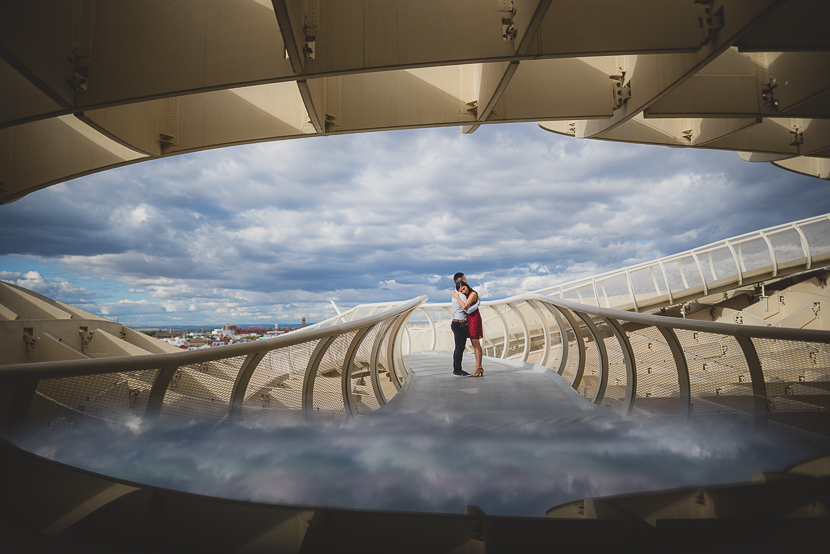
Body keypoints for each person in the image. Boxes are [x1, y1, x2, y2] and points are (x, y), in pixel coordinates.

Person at [453, 280, 484, 377]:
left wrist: (457, 296)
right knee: (474, 344)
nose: (463, 291)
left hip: (474, 320)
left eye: (464, 288)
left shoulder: (473, 294)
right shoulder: (467, 294)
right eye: (461, 291)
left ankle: (478, 367)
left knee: (476, 343)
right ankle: (479, 367)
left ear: (467, 285)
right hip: (469, 320)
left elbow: (465, 307)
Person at [450, 277, 471, 376]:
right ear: (460, 282)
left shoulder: (455, 293)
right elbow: (467, 309)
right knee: (459, 348)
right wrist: (478, 302)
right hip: (460, 324)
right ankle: (457, 370)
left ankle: (457, 369)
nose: (466, 281)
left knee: (459, 347)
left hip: (457, 323)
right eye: (464, 279)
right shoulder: (461, 296)